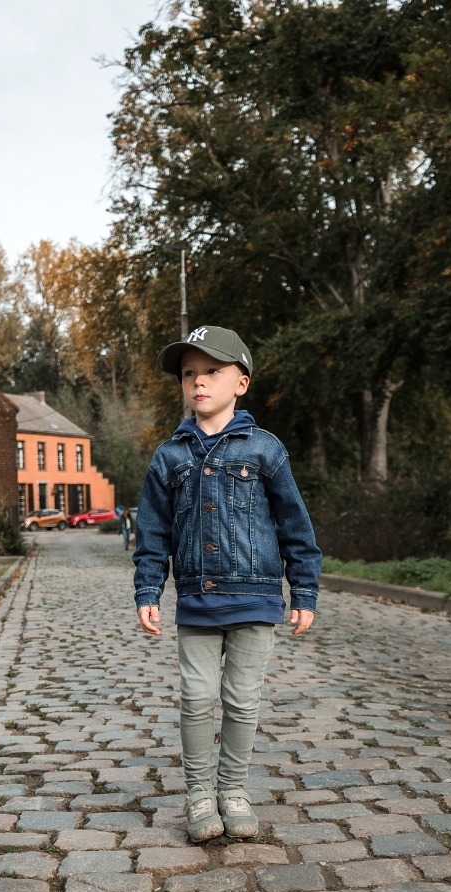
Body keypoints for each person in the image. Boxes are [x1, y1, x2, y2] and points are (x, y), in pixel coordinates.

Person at [132, 326, 321, 843]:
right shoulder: (169, 457)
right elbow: (153, 534)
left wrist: (303, 590)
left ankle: (233, 790)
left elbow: (295, 526)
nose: (198, 382)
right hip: (197, 598)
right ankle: (198, 795)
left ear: (241, 382)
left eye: (211, 371)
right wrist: (149, 590)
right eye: (189, 374)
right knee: (196, 697)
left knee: (241, 698)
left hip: (257, 597)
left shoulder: (266, 451)